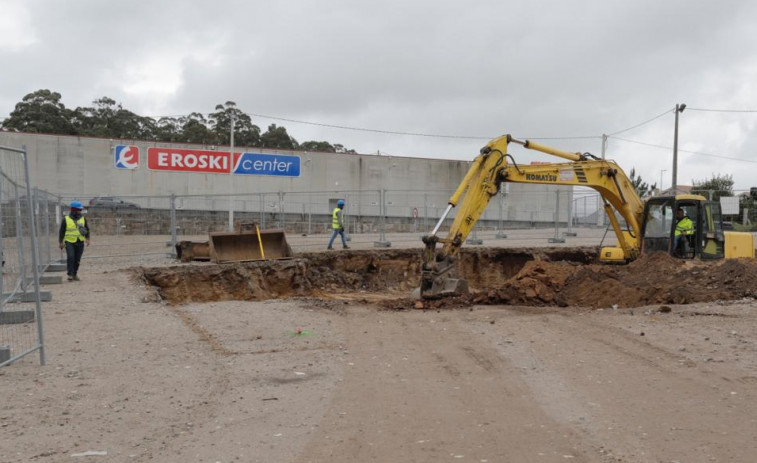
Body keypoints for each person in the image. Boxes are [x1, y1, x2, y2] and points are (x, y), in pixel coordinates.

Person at [58, 201, 90, 281]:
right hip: (69, 242)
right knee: (71, 257)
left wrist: (88, 238)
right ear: (74, 210)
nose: (80, 211)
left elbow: (87, 229)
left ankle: (75, 274)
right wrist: (61, 242)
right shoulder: (66, 219)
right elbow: (61, 231)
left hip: (80, 241)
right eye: (79, 210)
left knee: (77, 259)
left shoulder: (83, 218)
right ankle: (70, 274)